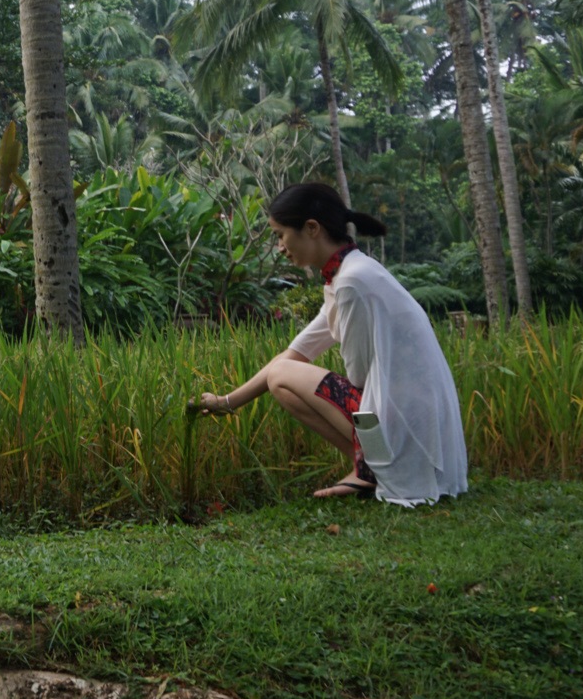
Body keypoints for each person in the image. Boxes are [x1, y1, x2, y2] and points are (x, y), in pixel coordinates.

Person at [197, 183, 468, 506]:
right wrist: (226, 402)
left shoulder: (352, 282)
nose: (280, 247)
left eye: (281, 235)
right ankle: (366, 468)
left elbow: (357, 379)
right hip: (414, 429)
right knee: (281, 375)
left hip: (406, 437)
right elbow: (296, 353)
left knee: (282, 377)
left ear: (311, 228)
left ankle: (371, 470)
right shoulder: (349, 273)